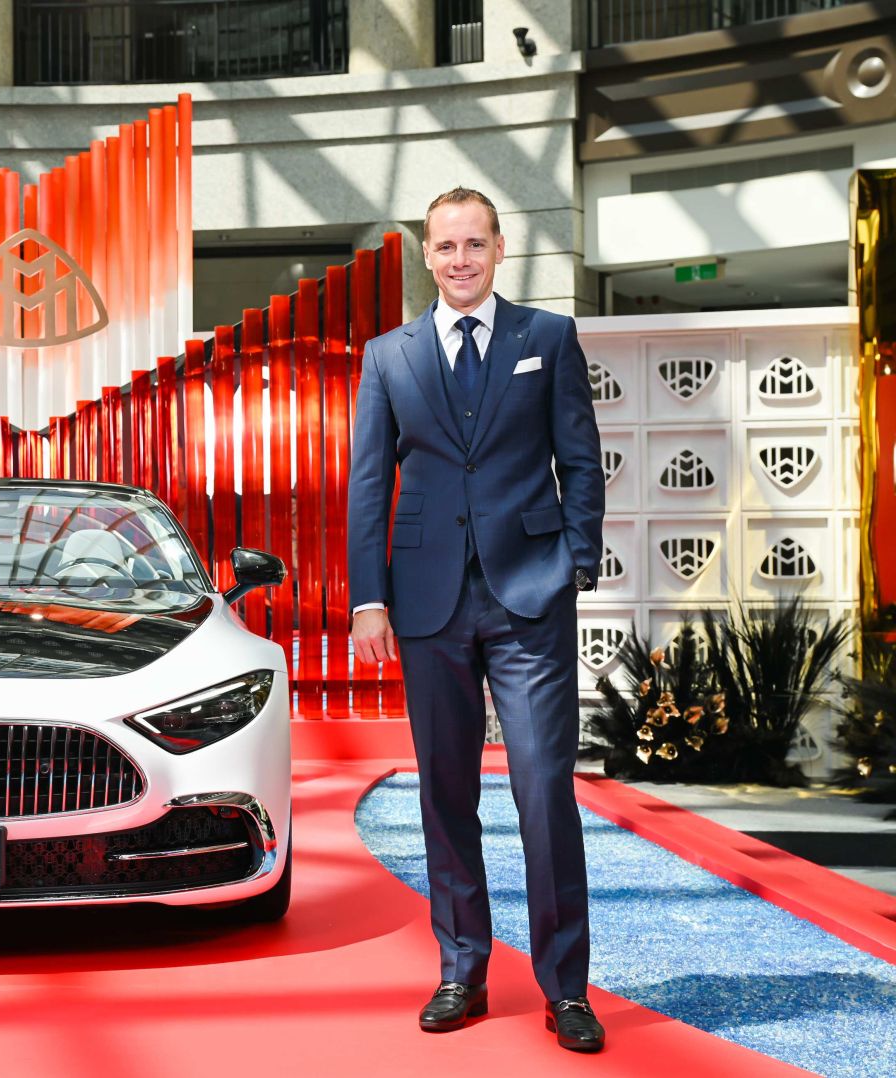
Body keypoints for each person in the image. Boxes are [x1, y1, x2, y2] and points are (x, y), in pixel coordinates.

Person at [346, 188, 607, 1052]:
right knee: (445, 792)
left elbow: (580, 459)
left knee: (543, 790)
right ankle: (463, 969)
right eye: (446, 246)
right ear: (427, 254)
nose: (461, 259)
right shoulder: (388, 356)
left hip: (531, 595)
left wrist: (575, 561)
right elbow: (369, 483)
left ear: (500, 248)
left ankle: (566, 988)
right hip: (427, 603)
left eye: (475, 244)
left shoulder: (548, 338)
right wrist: (369, 598)